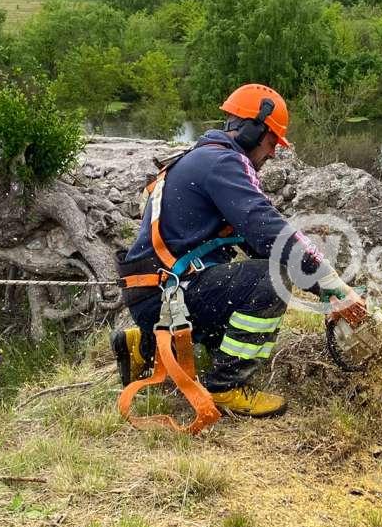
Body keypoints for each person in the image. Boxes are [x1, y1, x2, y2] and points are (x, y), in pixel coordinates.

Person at [110, 83, 367, 417]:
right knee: (271, 279)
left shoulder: (207, 157)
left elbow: (259, 241)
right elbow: (269, 229)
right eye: (272, 141)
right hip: (165, 292)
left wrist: (324, 294)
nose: (273, 153)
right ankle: (225, 386)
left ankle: (141, 347)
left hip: (155, 291)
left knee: (255, 279)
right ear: (252, 130)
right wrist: (334, 283)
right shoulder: (224, 162)